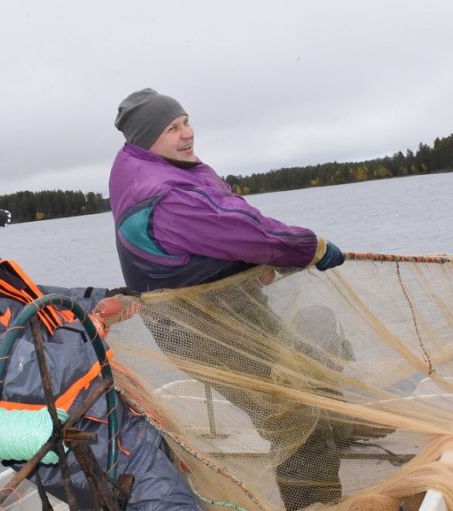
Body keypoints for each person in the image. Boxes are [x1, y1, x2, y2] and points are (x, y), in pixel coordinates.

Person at [0, 181, 202, 510]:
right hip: (92, 454)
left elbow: (42, 298)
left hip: (118, 418)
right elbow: (42, 378)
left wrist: (108, 296)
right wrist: (95, 322)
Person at [109, 89, 348, 510]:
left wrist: (246, 269)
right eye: (172, 128)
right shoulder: (165, 197)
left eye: (185, 121)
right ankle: (313, 506)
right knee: (291, 417)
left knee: (307, 362)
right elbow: (245, 233)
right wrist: (309, 247)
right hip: (198, 327)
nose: (187, 134)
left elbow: (236, 218)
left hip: (233, 308)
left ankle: (342, 434)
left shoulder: (167, 167)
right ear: (146, 139)